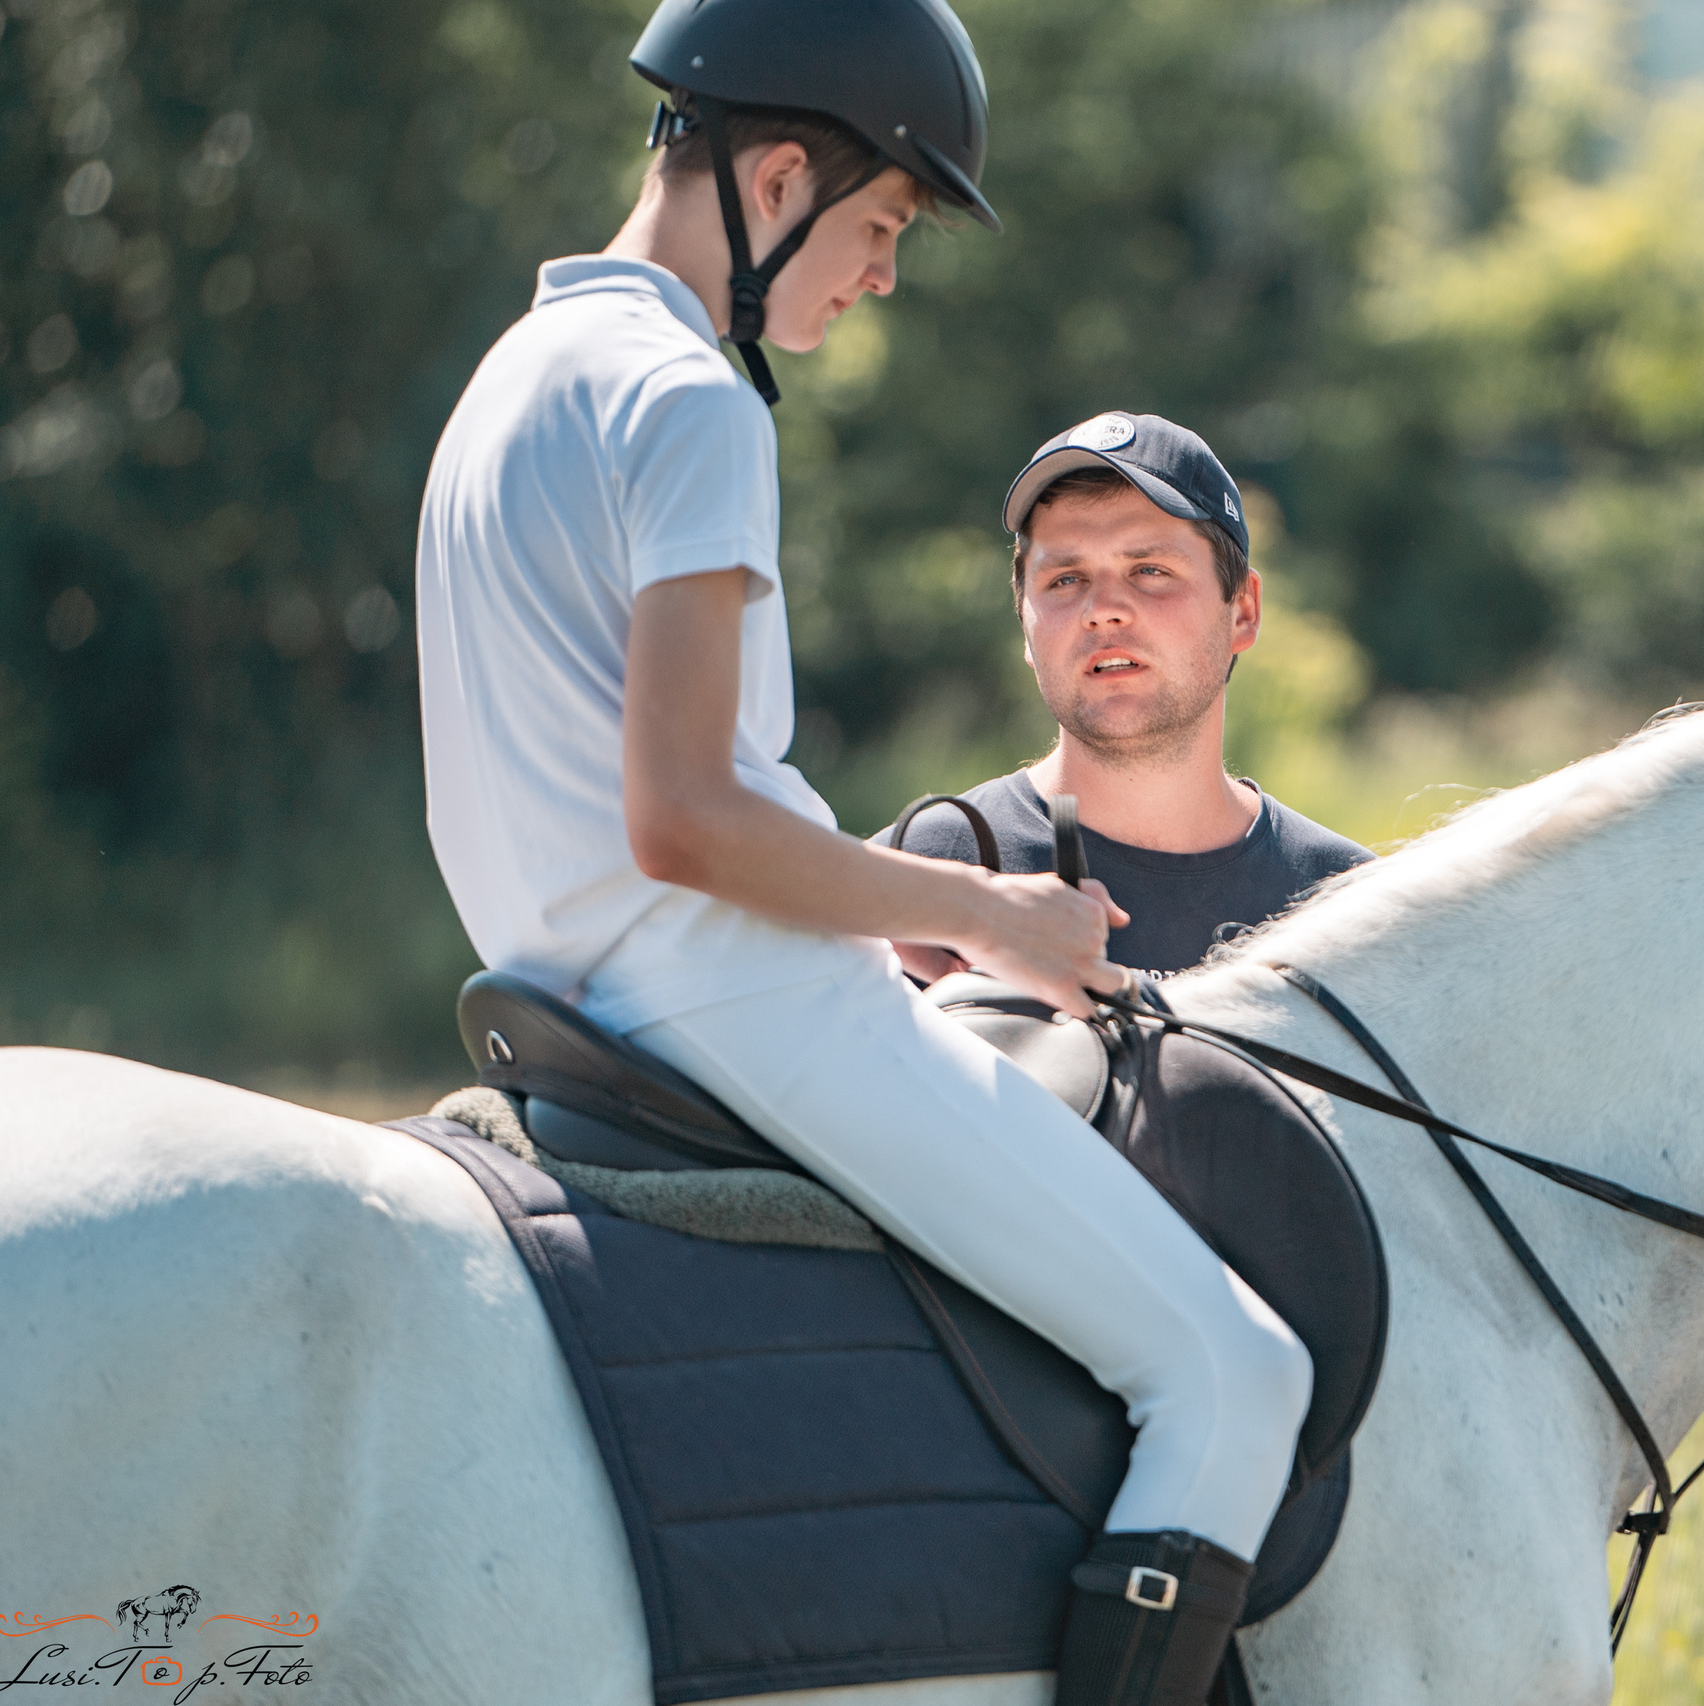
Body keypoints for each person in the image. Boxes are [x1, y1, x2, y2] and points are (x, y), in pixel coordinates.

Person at [412, 4, 1309, 1702]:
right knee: (1232, 1374)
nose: (882, 275)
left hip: (562, 994)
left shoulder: (505, 386)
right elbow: (686, 816)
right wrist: (992, 912)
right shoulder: (691, 401)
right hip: (739, 1014)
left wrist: (887, 920)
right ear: (774, 178)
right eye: (884, 226)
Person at [885, 412, 1370, 980]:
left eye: (1149, 570)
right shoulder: (910, 881)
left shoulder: (1352, 908)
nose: (1102, 609)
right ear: (1024, 623)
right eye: (1065, 580)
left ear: (1243, 610)